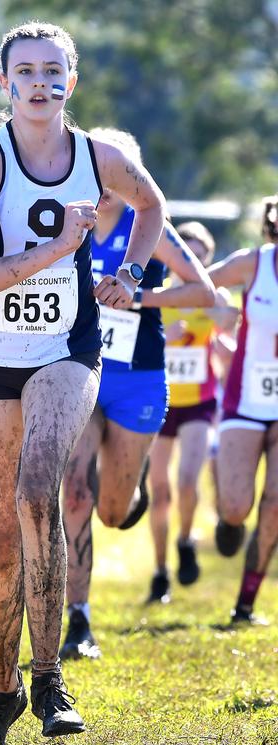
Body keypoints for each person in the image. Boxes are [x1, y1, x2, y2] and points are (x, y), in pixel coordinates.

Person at [0, 23, 167, 745]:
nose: (39, 84)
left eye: (53, 72)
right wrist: (53, 251)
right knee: (1, 541)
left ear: (70, 82)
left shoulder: (99, 158)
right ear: (4, 82)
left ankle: (50, 681)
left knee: (39, 489)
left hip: (66, 349)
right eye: (25, 72)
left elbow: (153, 207)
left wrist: (130, 275)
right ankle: (2, 691)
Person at [60, 128, 216, 659]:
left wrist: (139, 295)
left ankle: (133, 478)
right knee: (75, 492)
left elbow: (205, 293)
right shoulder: (69, 220)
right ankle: (77, 620)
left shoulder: (148, 229)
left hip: (139, 380)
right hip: (82, 372)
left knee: (112, 512)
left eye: (117, 172)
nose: (105, 183)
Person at [147, 222, 238, 602]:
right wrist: (161, 340)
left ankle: (185, 541)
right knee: (160, 492)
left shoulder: (213, 297)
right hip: (160, 402)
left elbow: (232, 339)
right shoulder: (159, 297)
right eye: (190, 254)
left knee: (187, 481)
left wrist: (224, 331)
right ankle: (160, 571)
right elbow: (136, 344)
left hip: (199, 405)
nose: (195, 262)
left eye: (202, 256)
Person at [208, 195, 278, 624]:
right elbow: (200, 281)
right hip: (246, 397)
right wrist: (220, 313)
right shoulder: (253, 264)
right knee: (237, 505)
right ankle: (229, 521)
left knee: (275, 504)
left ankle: (246, 604)